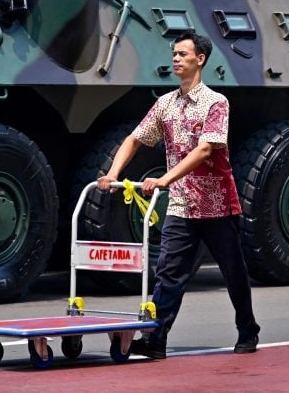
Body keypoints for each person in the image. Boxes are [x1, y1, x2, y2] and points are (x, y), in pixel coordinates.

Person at [96, 31, 260, 360]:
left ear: (200, 59)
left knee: (234, 271)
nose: (176, 59)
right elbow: (135, 138)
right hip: (182, 206)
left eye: (183, 54)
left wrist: (163, 179)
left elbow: (205, 150)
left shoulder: (216, 103)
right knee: (169, 273)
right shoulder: (165, 105)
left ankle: (247, 330)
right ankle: (155, 340)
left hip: (216, 206)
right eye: (174, 54)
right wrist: (114, 173)